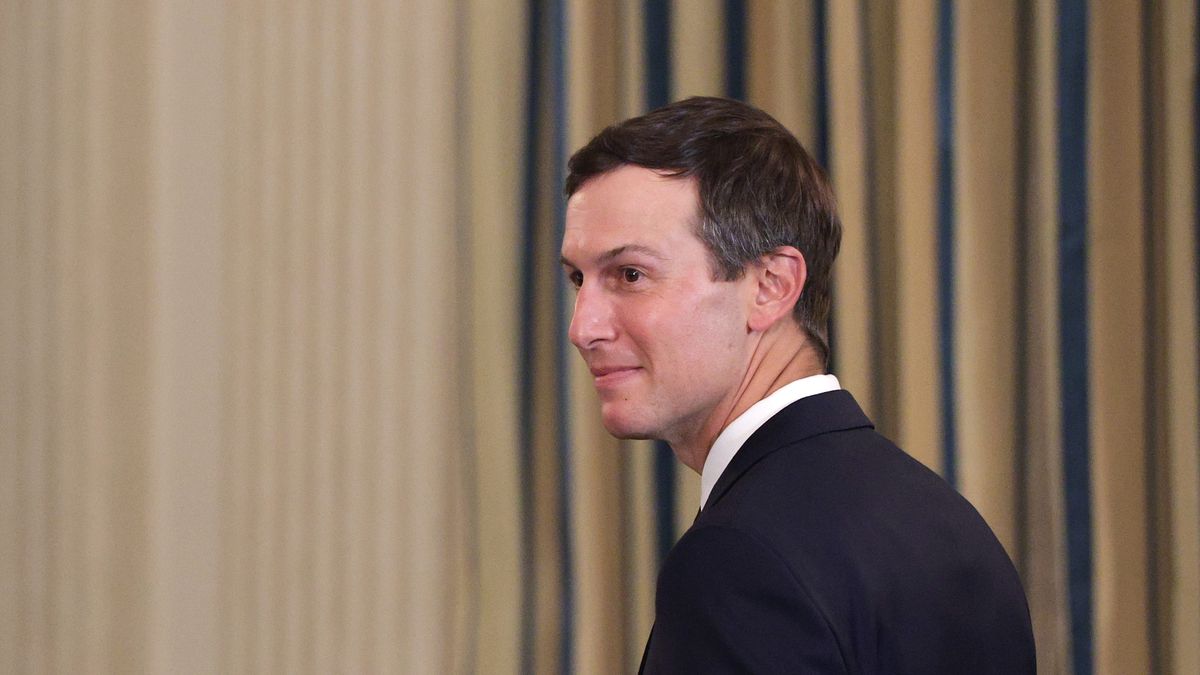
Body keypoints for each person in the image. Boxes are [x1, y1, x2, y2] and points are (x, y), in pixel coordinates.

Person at [559, 97, 1035, 674]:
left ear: (770, 287)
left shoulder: (740, 556)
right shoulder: (947, 524)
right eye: (578, 279)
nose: (583, 327)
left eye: (630, 275)